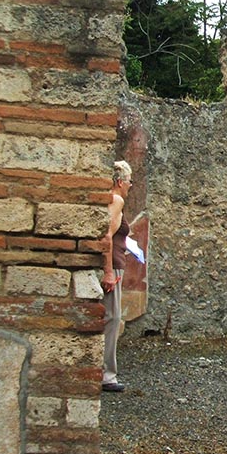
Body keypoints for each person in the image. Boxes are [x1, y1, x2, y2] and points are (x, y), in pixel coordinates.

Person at [101, 159, 132, 392]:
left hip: (116, 263)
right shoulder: (117, 200)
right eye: (129, 181)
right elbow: (107, 237)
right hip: (114, 268)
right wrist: (109, 271)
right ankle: (107, 375)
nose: (130, 186)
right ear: (120, 182)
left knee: (111, 318)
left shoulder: (110, 199)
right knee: (112, 318)